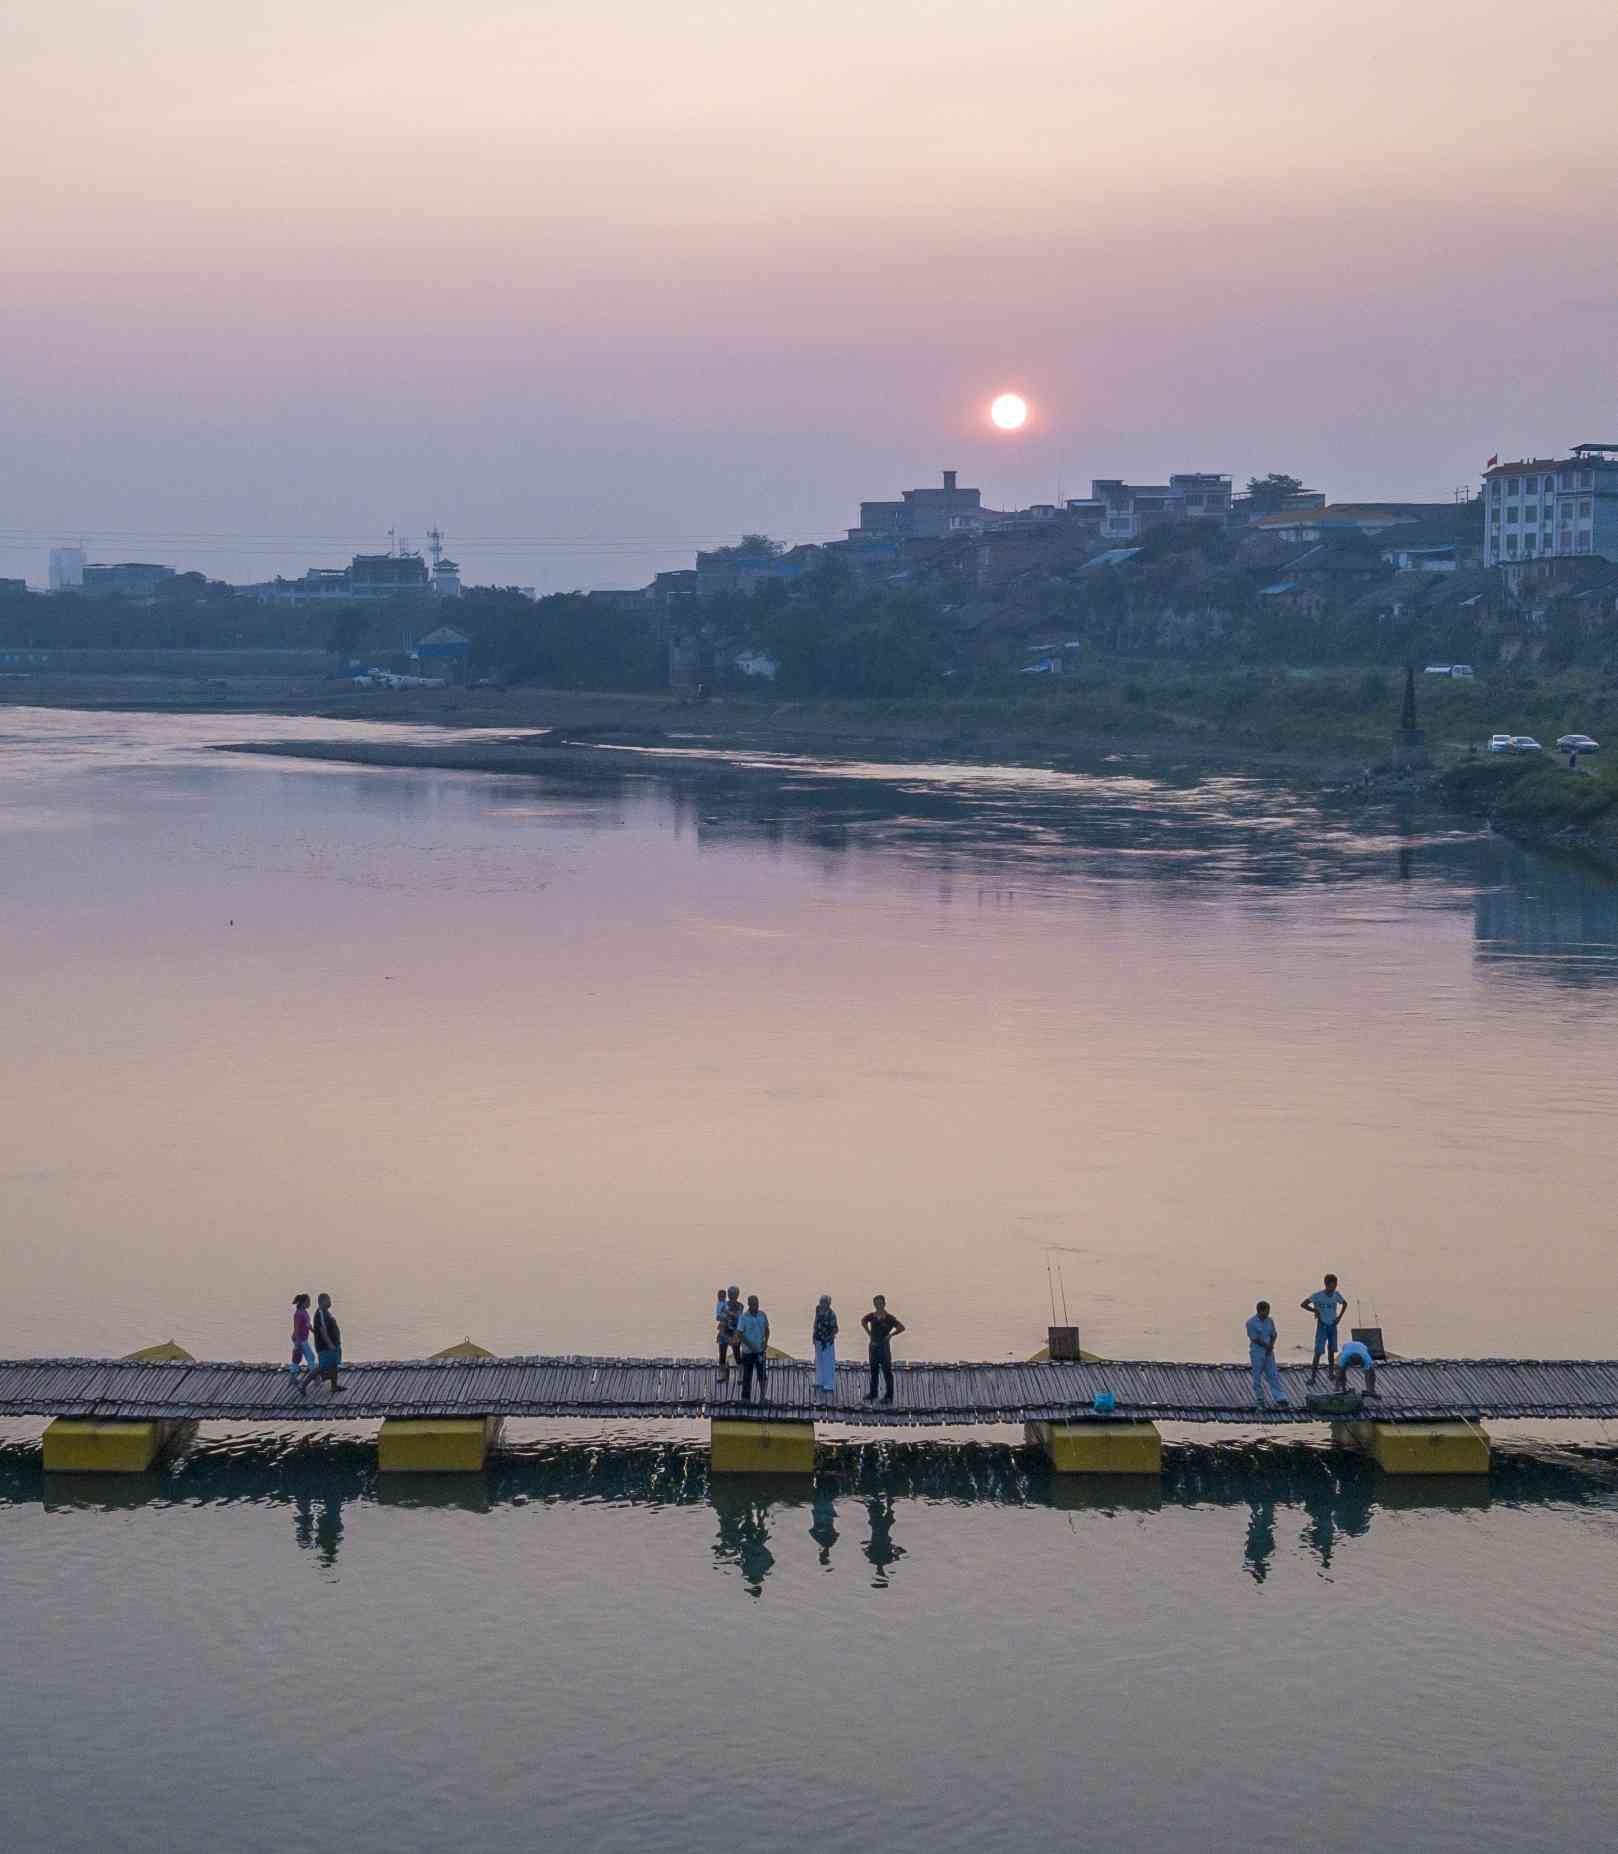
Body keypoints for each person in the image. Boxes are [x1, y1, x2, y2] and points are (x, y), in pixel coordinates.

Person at [1300, 1273, 1347, 1382]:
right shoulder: (1318, 1295)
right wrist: (1315, 1310)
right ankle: (1312, 1377)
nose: (1334, 1287)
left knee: (1331, 1351)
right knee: (1318, 1351)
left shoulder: (1336, 1295)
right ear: (1326, 1284)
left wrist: (1339, 1317)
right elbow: (1303, 1304)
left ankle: (1331, 1374)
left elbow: (1344, 1304)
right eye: (1332, 1285)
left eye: (1335, 1285)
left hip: (1332, 1325)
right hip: (1322, 1325)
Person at [862, 1294, 905, 1403]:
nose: (878, 1306)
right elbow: (863, 1321)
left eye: (880, 1304)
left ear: (884, 1304)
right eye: (876, 1304)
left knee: (887, 1372)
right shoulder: (872, 1316)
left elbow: (901, 1327)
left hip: (884, 1348)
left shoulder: (889, 1318)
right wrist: (868, 1332)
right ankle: (873, 1393)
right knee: (874, 1371)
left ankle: (889, 1396)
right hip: (873, 1347)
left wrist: (891, 1335)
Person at [303, 1291, 345, 1396]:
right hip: (325, 1346)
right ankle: (303, 1385)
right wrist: (330, 1343)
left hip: (333, 1344)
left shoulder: (326, 1311)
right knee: (322, 1366)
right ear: (322, 1301)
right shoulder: (321, 1313)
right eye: (328, 1300)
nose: (330, 1302)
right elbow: (322, 1330)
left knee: (333, 1364)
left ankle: (334, 1386)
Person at [1246, 1299, 1285, 1411]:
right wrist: (1266, 1346)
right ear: (1260, 1311)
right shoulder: (1251, 1323)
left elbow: (1274, 1334)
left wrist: (1271, 1346)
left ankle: (1280, 1398)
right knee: (1257, 1376)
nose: (1267, 1314)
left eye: (1268, 1311)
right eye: (1266, 1312)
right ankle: (1260, 1399)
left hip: (1269, 1351)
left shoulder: (1270, 1321)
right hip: (1257, 1351)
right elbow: (1255, 1338)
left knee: (1273, 1374)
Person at [736, 1295, 770, 1404]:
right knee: (747, 1375)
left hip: (760, 1351)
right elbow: (739, 1334)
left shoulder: (762, 1315)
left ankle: (762, 1397)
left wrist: (765, 1342)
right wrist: (750, 1345)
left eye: (757, 1303)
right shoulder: (744, 1317)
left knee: (762, 1374)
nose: (756, 1306)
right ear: (749, 1305)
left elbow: (767, 1329)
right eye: (753, 1304)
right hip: (748, 1352)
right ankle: (745, 1399)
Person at [716, 1286, 743, 1384]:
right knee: (722, 1353)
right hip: (724, 1331)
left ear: (737, 1295)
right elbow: (718, 1317)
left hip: (734, 1332)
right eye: (730, 1294)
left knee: (737, 1354)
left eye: (734, 1294)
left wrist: (728, 1314)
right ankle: (722, 1373)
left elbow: (739, 1318)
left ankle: (740, 1373)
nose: (732, 1296)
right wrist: (726, 1315)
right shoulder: (723, 1304)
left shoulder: (740, 1306)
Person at [812, 1295, 838, 1395]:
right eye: (821, 1302)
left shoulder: (832, 1315)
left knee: (828, 1362)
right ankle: (819, 1381)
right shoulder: (818, 1310)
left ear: (828, 1304)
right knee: (818, 1361)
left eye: (824, 1302)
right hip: (818, 1339)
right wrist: (813, 1336)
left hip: (827, 1341)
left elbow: (835, 1329)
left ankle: (829, 1385)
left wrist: (829, 1339)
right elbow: (815, 1323)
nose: (822, 1304)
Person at [288, 1293, 316, 1384]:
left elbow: (308, 1325)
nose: (309, 1304)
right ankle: (314, 1377)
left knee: (297, 1358)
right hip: (300, 1339)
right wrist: (297, 1343)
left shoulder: (304, 1312)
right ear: (303, 1303)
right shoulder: (298, 1314)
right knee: (310, 1357)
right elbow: (296, 1328)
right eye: (308, 1302)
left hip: (303, 1339)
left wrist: (315, 1332)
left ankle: (293, 1377)